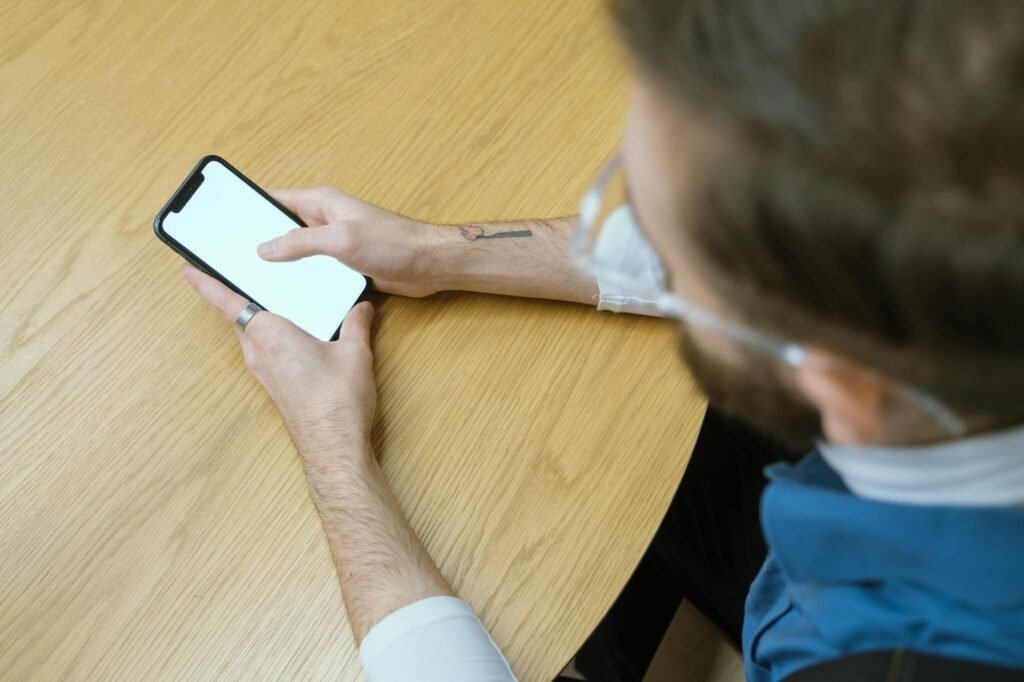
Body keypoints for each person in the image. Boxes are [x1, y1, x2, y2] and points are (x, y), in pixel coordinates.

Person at [181, 0, 1024, 679]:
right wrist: (437, 252)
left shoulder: (886, 658)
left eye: (653, 229)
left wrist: (331, 445)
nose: (619, 236)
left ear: (833, 380)